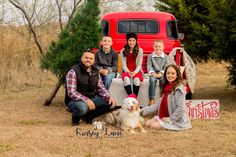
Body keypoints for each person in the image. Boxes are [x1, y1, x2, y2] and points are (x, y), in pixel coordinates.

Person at [65, 51, 116, 126]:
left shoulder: (96, 71)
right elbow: (71, 92)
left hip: (92, 97)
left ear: (94, 61)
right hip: (74, 100)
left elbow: (101, 87)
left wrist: (109, 97)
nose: (88, 60)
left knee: (110, 103)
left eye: (91, 58)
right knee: (82, 108)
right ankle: (75, 120)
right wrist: (87, 100)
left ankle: (88, 117)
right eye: (86, 58)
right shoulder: (73, 71)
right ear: (81, 59)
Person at [141, 64, 192, 131]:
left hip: (176, 119)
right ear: (165, 75)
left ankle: (170, 124)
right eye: (168, 73)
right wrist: (142, 111)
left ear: (177, 75)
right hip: (164, 116)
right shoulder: (166, 87)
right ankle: (161, 121)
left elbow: (181, 108)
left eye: (173, 73)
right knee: (147, 123)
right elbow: (157, 105)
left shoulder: (179, 89)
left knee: (153, 126)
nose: (170, 75)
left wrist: (170, 119)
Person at [147, 39, 170, 105]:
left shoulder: (165, 57)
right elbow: (149, 66)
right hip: (153, 73)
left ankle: (162, 96)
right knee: (152, 80)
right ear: (153, 47)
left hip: (162, 73)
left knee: (163, 80)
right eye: (156, 46)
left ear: (163, 47)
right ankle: (151, 98)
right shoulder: (150, 56)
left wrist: (161, 73)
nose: (158, 48)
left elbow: (166, 67)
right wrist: (153, 73)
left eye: (159, 46)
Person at [120, 32, 143, 97]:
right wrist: (128, 72)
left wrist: (135, 72)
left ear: (136, 41)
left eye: (133, 40)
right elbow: (123, 65)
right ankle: (132, 98)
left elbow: (139, 64)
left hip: (136, 71)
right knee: (126, 79)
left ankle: (134, 98)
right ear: (127, 41)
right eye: (130, 40)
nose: (131, 42)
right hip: (127, 70)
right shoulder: (123, 51)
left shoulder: (140, 50)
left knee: (136, 80)